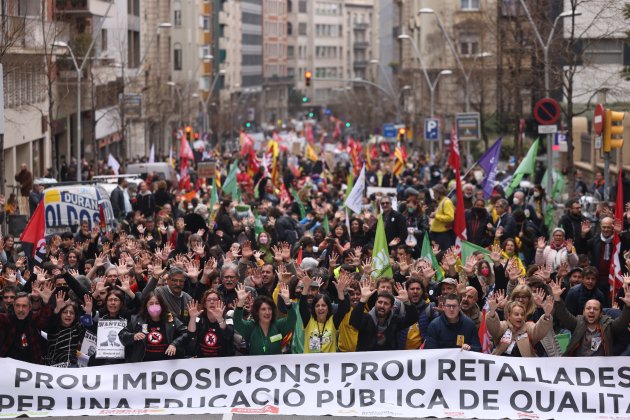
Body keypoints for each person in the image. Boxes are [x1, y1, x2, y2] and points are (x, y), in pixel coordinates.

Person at [551, 280, 630, 356]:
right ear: (583, 312)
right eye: (588, 308)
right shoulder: (577, 323)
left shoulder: (608, 325)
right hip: (578, 365)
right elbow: (564, 315)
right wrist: (557, 299)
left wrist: (628, 306)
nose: (591, 311)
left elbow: (622, 322)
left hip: (601, 367)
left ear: (600, 313)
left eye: (595, 309)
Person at [350, 279, 419, 351]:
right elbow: (354, 321)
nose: (382, 306)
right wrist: (362, 300)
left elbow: (413, 318)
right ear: (375, 303)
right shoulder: (366, 318)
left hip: (388, 360)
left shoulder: (394, 320)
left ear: (391, 307)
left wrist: (407, 302)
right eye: (380, 302)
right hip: (366, 360)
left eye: (386, 304)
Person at [118, 292, 188, 362]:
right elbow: (122, 334)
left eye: (157, 303)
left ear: (162, 305)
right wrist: (133, 336)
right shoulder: (137, 320)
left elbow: (185, 333)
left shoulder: (171, 319)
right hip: (143, 364)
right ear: (146, 306)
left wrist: (174, 344)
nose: (154, 306)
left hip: (167, 364)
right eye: (151, 303)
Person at [232, 283, 297, 355]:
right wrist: (240, 302)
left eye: (270, 309)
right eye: (263, 309)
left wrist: (287, 302)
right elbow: (237, 322)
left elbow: (292, 319)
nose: (267, 312)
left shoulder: (278, 325)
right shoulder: (250, 327)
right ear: (257, 312)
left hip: (276, 365)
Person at [486, 292, 554, 357]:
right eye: (516, 314)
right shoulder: (504, 326)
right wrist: (492, 312)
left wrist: (547, 315)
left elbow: (539, 330)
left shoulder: (528, 327)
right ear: (509, 315)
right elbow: (494, 328)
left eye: (522, 314)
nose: (520, 317)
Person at [0, 285, 53, 364]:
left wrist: (46, 302)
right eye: (17, 305)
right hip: (8, 367)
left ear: (30, 307)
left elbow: (44, 317)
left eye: (24, 306)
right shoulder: (5, 319)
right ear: (13, 306)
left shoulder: (34, 320)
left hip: (31, 366)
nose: (20, 310)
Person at [299, 274, 350, 353]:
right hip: (310, 364)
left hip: (329, 364)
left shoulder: (333, 322)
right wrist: (305, 288)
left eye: (323, 305)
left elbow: (342, 310)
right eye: (317, 306)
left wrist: (340, 291)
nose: (320, 308)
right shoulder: (308, 321)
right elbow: (302, 307)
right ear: (314, 308)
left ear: (328, 308)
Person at [186, 289, 235, 357]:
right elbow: (191, 334)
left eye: (215, 299)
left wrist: (220, 319)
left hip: (222, 359)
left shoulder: (228, 318)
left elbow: (229, 335)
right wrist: (192, 318)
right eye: (209, 300)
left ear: (220, 302)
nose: (212, 302)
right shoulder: (199, 317)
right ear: (205, 305)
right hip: (202, 358)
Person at [429, 184, 455, 250]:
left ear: (439, 193)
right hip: (436, 233)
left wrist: (436, 216)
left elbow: (450, 217)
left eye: (434, 192)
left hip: (442, 234)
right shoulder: (440, 202)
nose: (433, 195)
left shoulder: (447, 202)